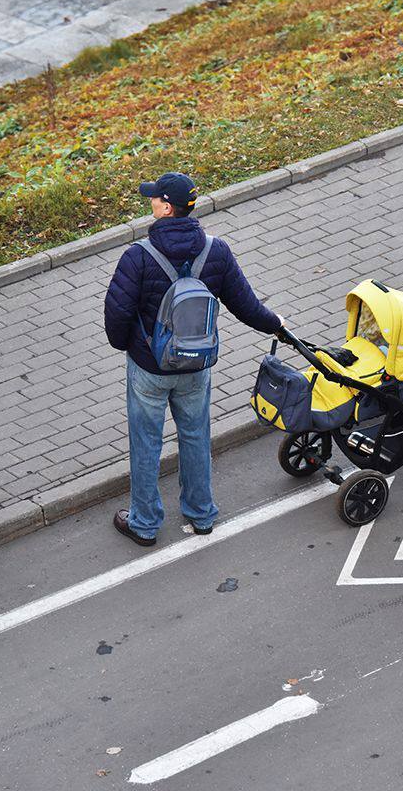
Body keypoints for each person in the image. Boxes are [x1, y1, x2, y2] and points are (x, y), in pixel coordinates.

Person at [104, 172, 282, 547]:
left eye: (154, 199)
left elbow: (117, 314)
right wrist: (275, 324)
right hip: (196, 365)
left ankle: (145, 523)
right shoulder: (215, 251)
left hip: (150, 368)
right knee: (196, 435)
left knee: (146, 443)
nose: (149, 202)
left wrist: (128, 346)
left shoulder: (138, 257)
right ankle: (201, 513)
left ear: (166, 208)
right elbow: (245, 305)